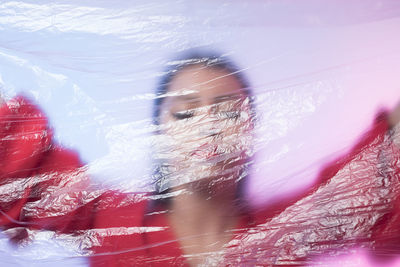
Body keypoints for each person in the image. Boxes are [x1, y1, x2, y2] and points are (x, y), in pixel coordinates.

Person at [0, 49, 400, 266]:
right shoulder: (106, 218)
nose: (209, 124)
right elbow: (20, 171)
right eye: (185, 111)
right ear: (158, 132)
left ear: (253, 132)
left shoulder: (288, 230)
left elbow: (374, 183)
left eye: (227, 112)